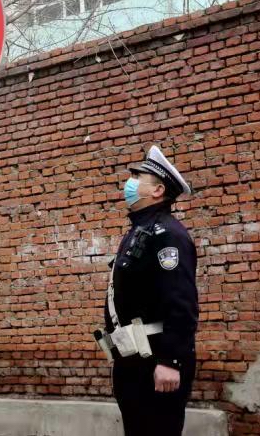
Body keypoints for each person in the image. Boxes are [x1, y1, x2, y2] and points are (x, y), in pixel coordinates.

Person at [93, 145, 198, 436]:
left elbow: (181, 301)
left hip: (156, 361)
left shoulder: (168, 235)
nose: (130, 183)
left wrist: (170, 361)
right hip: (134, 360)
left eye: (138, 177)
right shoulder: (141, 231)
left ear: (158, 190)